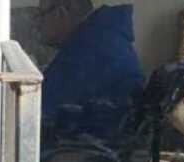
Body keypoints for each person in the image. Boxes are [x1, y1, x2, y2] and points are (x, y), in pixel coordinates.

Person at [37, 0, 143, 142]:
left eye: (41, 14)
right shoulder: (101, 36)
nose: (37, 22)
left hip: (97, 149)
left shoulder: (83, 49)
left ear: (60, 14)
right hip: (112, 141)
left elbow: (39, 110)